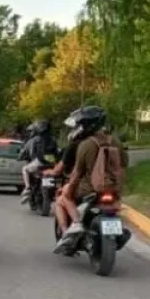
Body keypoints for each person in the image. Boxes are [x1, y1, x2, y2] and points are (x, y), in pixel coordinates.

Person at [53, 106, 128, 253]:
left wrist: (69, 190)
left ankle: (76, 223)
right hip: (112, 188)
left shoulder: (85, 145)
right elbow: (123, 166)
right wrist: (118, 187)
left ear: (86, 125)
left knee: (63, 198)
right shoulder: (116, 142)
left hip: (89, 189)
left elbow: (77, 173)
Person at [19, 119, 58, 203]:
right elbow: (57, 152)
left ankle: (28, 188)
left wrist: (20, 157)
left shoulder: (34, 140)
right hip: (52, 164)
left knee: (25, 169)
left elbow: (27, 152)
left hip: (39, 162)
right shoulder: (53, 139)